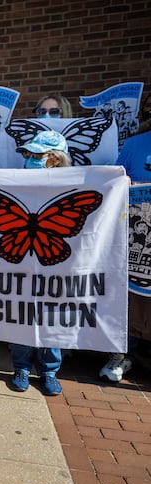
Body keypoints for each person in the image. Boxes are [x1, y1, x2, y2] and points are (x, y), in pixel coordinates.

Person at [8, 130, 72, 395]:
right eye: (27, 154)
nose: (29, 159)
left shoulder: (76, 184)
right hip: (22, 258)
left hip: (54, 261)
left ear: (55, 159)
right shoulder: (16, 180)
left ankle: (49, 370)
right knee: (21, 312)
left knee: (51, 314)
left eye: (36, 155)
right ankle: (21, 366)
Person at [99, 114, 151, 382]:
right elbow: (117, 181)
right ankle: (122, 355)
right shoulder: (135, 144)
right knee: (130, 294)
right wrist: (125, 184)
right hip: (137, 235)